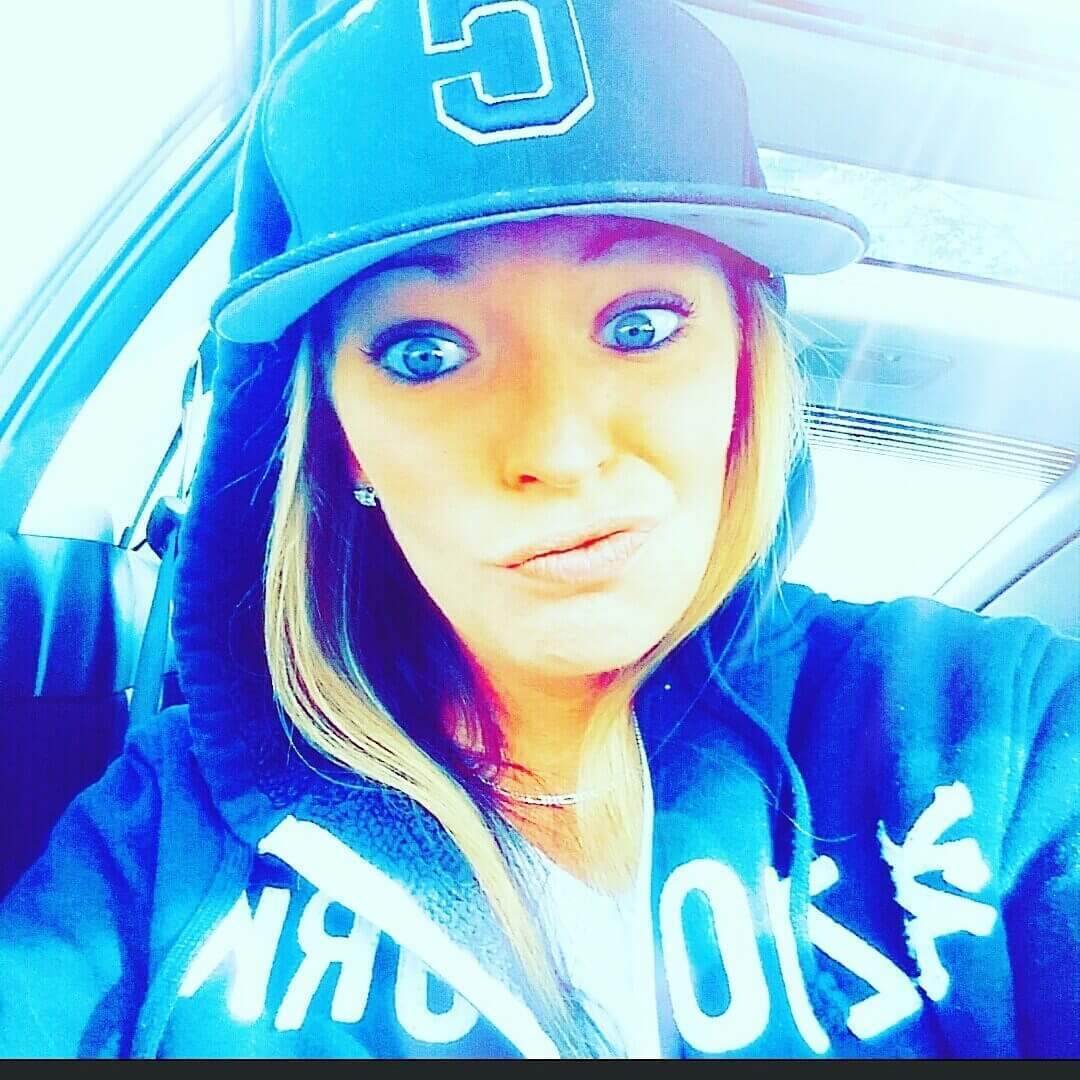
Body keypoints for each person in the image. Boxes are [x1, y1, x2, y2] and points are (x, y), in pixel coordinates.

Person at [0, 0, 1076, 1059]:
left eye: (641, 325)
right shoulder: (157, 851)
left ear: (744, 367)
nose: (558, 449)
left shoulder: (994, 736)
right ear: (341, 442)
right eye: (426, 353)